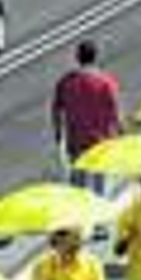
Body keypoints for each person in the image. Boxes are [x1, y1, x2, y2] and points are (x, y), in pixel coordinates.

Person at [50, 39, 122, 192]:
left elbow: (56, 110)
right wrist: (119, 133)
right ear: (95, 57)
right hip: (100, 141)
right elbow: (114, 112)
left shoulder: (66, 82)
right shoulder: (106, 82)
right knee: (99, 184)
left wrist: (58, 134)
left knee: (78, 183)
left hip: (76, 141)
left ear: (77, 58)